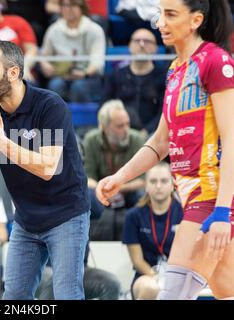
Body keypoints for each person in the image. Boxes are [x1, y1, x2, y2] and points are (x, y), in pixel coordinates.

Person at [96, 0, 234, 300]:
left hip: (211, 194)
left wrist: (223, 210)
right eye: (160, 14)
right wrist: (119, 176)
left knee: (173, 295)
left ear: (196, 20)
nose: (161, 22)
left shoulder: (215, 61)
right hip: (190, 193)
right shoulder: (175, 70)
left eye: (171, 14)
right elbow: (160, 143)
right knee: (228, 292)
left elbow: (233, 138)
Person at [0, 40, 90, 299]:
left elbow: (47, 167)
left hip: (65, 215)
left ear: (12, 73)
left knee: (67, 294)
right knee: (14, 297)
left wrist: (2, 141)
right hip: (26, 218)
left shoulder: (50, 106)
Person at [122, 162, 183, 299]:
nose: (159, 186)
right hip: (146, 275)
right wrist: (158, 279)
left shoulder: (185, 214)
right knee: (150, 288)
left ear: (173, 184)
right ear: (146, 185)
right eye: (153, 181)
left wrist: (171, 281)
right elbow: (137, 261)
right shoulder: (133, 216)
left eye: (164, 181)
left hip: (179, 276)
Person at [83, 100, 145, 219]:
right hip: (100, 195)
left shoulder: (137, 139)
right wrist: (104, 191)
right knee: (86, 195)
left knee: (142, 195)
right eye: (120, 126)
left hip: (129, 192)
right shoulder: (91, 140)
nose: (127, 129)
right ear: (105, 127)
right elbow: (87, 178)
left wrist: (117, 188)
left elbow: (143, 181)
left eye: (128, 124)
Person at [103, 28, 167, 136]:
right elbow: (105, 106)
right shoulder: (116, 74)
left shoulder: (163, 77)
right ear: (130, 46)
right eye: (137, 41)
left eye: (147, 41)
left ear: (155, 48)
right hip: (120, 132)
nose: (142, 45)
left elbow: (164, 112)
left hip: (152, 134)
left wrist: (146, 131)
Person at [40, 0, 106, 103]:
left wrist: (84, 73)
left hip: (88, 76)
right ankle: (56, 118)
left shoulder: (95, 30)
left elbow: (97, 61)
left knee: (79, 87)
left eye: (73, 5)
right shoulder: (53, 30)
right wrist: (45, 65)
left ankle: (82, 119)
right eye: (65, 5)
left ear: (82, 8)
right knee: (55, 85)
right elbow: (44, 56)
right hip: (61, 75)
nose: (69, 9)